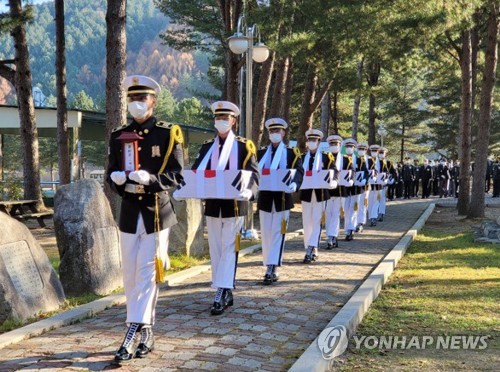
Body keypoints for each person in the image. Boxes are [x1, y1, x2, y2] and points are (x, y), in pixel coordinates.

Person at [107, 75, 184, 363]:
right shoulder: (118, 134)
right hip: (128, 213)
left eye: (142, 99)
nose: (136, 104)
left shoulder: (167, 133)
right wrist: (115, 179)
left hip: (156, 213)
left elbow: (177, 175)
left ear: (153, 101)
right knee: (130, 273)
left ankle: (132, 329)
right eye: (132, 99)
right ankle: (147, 329)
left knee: (147, 273)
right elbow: (112, 171)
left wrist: (151, 179)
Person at [191, 101, 259, 316]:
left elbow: (254, 174)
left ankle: (220, 292)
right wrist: (187, 188)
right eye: (218, 118)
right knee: (216, 249)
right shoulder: (206, 147)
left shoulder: (243, 146)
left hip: (234, 207)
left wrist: (250, 191)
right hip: (212, 205)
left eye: (226, 118)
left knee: (229, 249)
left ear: (234, 121)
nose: (221, 121)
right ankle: (226, 288)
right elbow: (196, 173)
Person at [257, 118, 303, 284]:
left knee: (278, 232)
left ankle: (272, 266)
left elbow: (299, 171)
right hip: (265, 198)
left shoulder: (291, 153)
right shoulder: (261, 153)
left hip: (283, 198)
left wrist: (295, 183)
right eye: (272, 131)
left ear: (284, 133)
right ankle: (268, 262)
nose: (275, 134)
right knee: (266, 233)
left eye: (278, 131)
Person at [300, 129, 335, 262]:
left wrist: (334, 181)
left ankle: (312, 246)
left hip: (320, 194)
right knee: (307, 222)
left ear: (319, 142)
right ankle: (309, 245)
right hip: (306, 194)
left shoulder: (326, 157)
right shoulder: (302, 157)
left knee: (316, 220)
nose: (312, 142)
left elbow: (334, 171)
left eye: (314, 140)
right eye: (310, 140)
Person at [324, 134, 344, 249]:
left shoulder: (346, 159)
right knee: (328, 214)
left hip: (340, 191)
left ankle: (333, 236)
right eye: (331, 144)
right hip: (327, 191)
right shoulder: (325, 157)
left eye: (335, 144)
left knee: (335, 214)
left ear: (340, 145)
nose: (333, 146)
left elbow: (351, 171)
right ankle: (329, 235)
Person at [341, 138, 358, 241]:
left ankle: (350, 229)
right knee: (346, 209)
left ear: (354, 148)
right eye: (347, 147)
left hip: (356, 188)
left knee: (353, 209)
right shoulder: (342, 159)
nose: (349, 149)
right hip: (345, 188)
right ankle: (347, 229)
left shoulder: (360, 160)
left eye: (351, 147)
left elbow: (365, 172)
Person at [377, 147, 397, 221]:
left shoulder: (388, 163)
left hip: (384, 185)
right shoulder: (375, 162)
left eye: (383, 153)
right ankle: (374, 214)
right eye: (380, 153)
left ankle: (381, 214)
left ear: (385, 154)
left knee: (382, 199)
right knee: (375, 200)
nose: (381, 154)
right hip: (375, 185)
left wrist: (391, 179)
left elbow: (393, 172)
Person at [355, 142, 369, 232]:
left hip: (366, 186)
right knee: (356, 204)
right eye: (359, 149)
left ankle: (361, 222)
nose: (361, 151)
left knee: (363, 204)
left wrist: (366, 180)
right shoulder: (355, 159)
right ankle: (356, 222)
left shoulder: (370, 160)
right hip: (356, 185)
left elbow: (372, 172)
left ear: (366, 150)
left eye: (363, 149)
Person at [367, 144, 381, 226]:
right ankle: (371, 216)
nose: (374, 152)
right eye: (373, 151)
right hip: (369, 185)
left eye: (376, 151)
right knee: (370, 201)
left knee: (376, 201)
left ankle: (373, 217)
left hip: (378, 185)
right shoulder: (368, 161)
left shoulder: (382, 161)